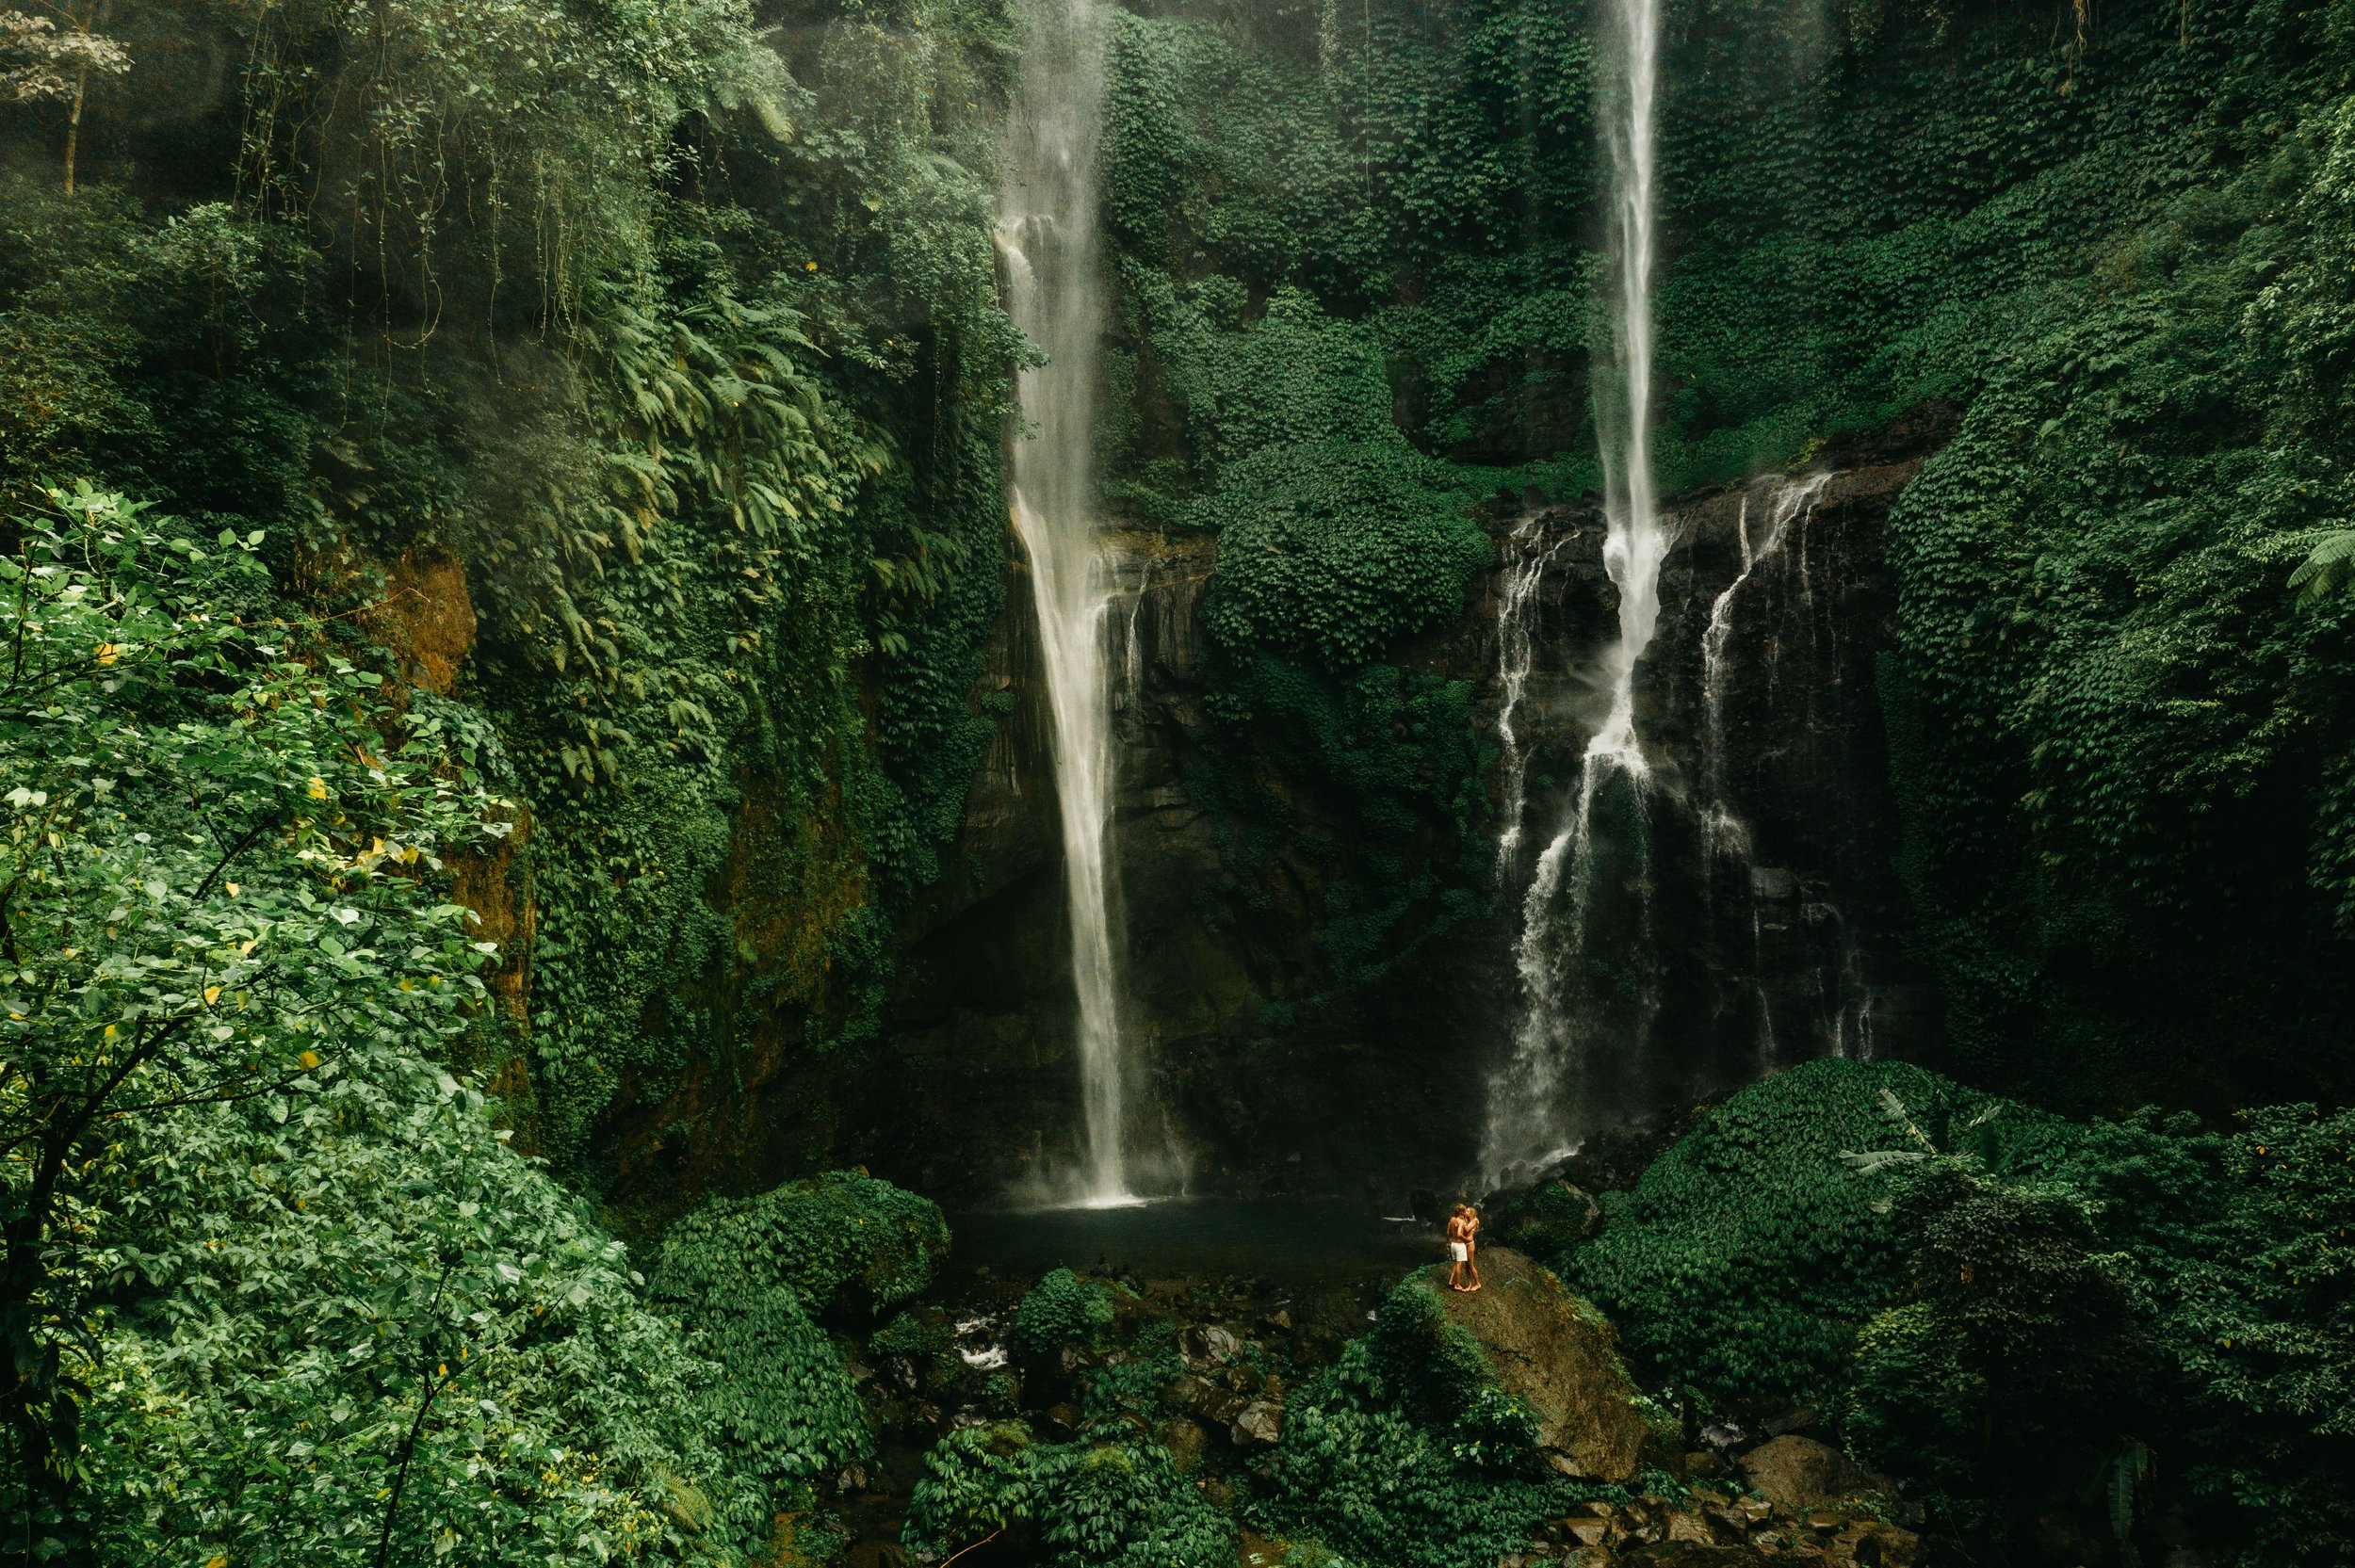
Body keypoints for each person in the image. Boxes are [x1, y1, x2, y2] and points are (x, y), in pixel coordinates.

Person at [1445, 1203, 1482, 1292]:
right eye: (1465, 1210)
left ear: (1472, 1213)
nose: (1466, 1211)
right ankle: (1469, 1284)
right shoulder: (1465, 1219)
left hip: (1469, 1244)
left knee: (1470, 1265)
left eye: (1468, 1211)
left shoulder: (1474, 1220)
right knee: (1465, 1266)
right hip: (1462, 1244)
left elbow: (1467, 1230)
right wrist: (1462, 1220)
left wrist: (1462, 1222)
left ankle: (1478, 1284)